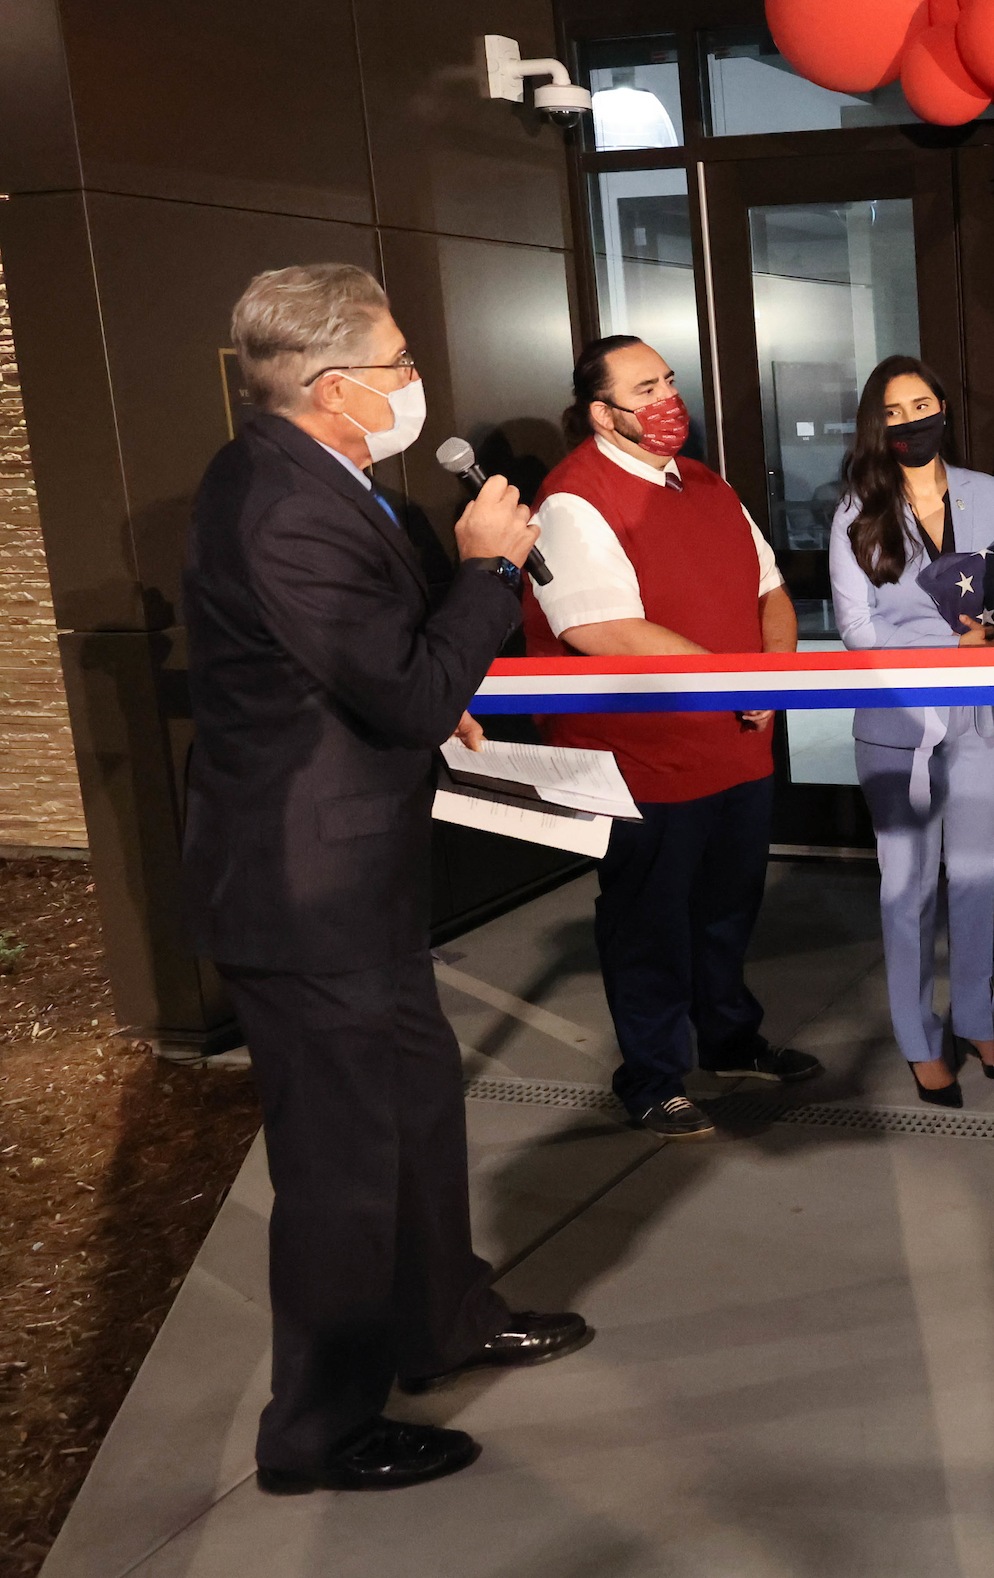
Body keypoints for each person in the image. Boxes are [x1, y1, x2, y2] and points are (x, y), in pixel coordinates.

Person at [184, 264, 587, 1495]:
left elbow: (379, 672)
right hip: (307, 900)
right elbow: (404, 687)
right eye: (401, 363)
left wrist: (438, 683)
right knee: (340, 1174)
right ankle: (317, 1433)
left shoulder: (325, 478)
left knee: (416, 1118)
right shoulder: (283, 505)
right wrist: (487, 572)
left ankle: (442, 1322)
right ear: (335, 385)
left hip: (356, 886)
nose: (419, 384)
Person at [524, 337, 821, 1139]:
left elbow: (772, 592)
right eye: (643, 386)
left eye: (668, 381)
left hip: (734, 746)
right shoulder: (573, 499)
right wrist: (738, 680)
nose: (665, 398)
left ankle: (730, 1038)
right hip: (641, 759)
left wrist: (775, 674)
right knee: (649, 919)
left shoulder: (706, 482)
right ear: (600, 412)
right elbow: (599, 629)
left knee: (728, 907)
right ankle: (652, 1076)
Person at [829, 356, 994, 1105]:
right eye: (894, 411)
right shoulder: (857, 507)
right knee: (906, 888)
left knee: (977, 880)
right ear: (877, 426)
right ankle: (919, 1040)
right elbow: (854, 629)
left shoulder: (990, 494)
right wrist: (953, 647)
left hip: (984, 721)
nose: (911, 420)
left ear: (943, 406)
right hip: (898, 723)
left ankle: (978, 1020)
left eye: (922, 404)